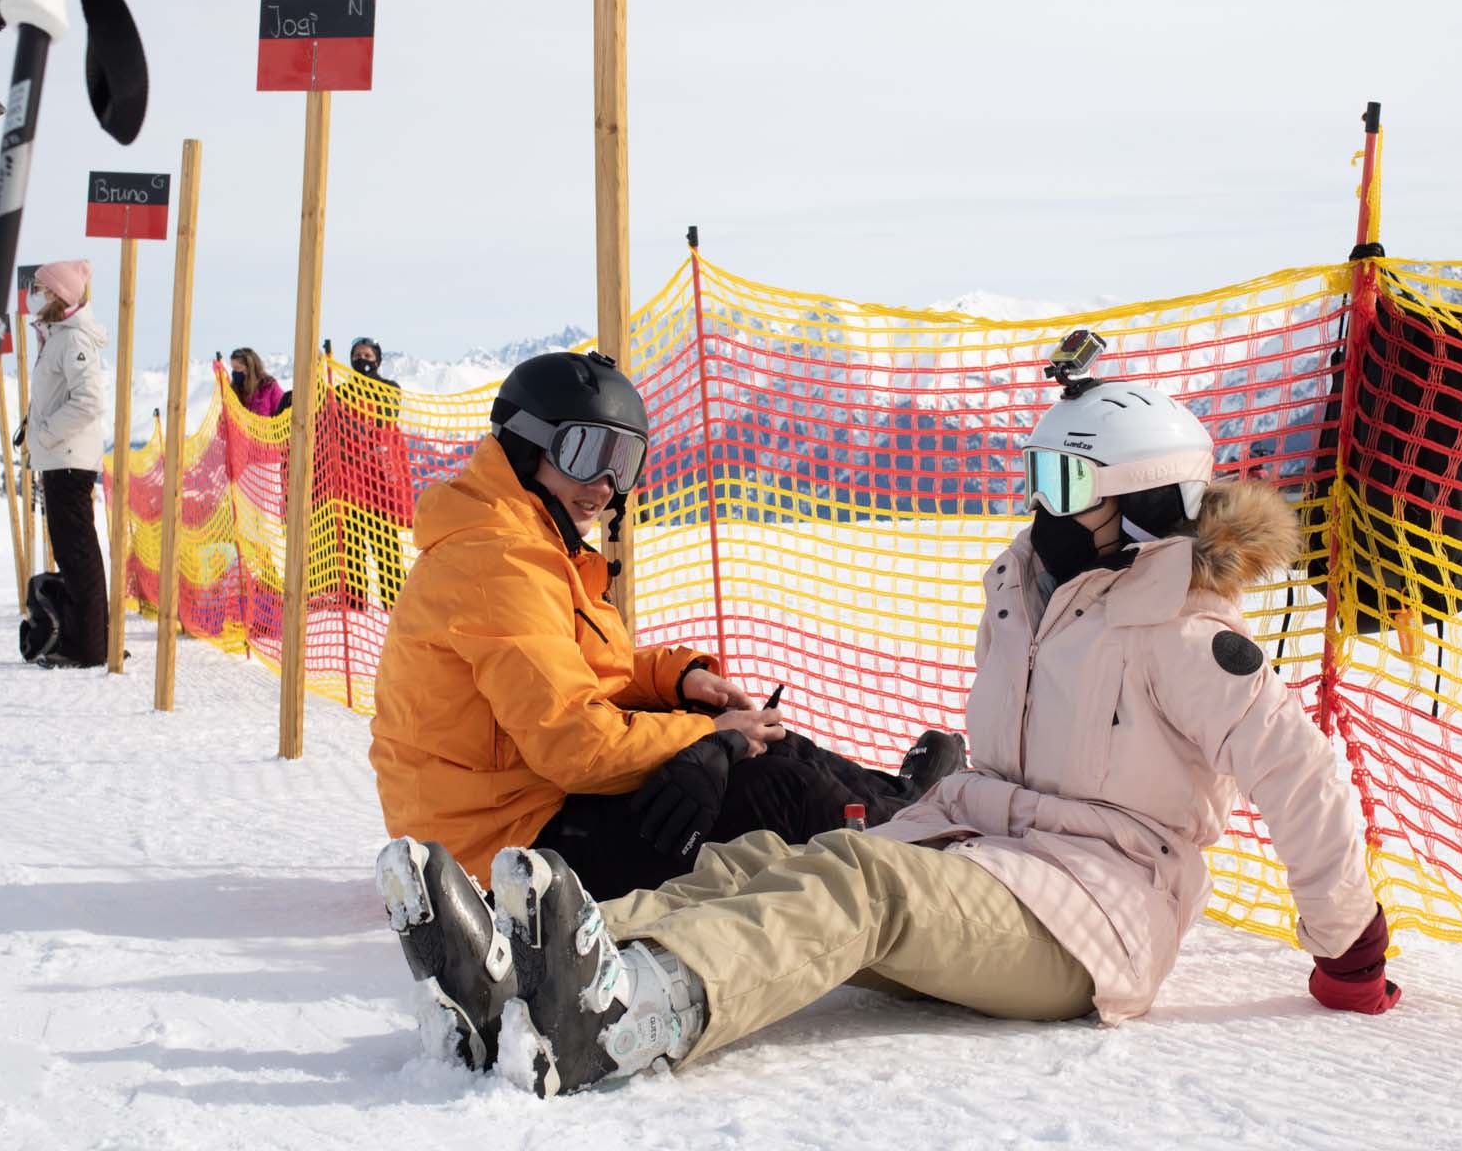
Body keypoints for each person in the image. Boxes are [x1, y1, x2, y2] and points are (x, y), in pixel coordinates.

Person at [373, 332, 1399, 1095]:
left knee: (861, 875)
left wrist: (1348, 948)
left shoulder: (1184, 633)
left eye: (1064, 480)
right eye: (1034, 475)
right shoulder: (1032, 599)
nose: (1040, 507)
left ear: (1142, 506)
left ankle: (635, 1009)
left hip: (1096, 915)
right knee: (767, 858)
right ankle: (529, 972)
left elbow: (1297, 772)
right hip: (994, 864)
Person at [370, 350, 962, 1070]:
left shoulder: (522, 539)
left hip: (512, 805)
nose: (606, 485)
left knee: (768, 748)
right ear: (527, 447)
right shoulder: (503, 561)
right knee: (766, 779)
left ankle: (902, 803)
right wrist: (708, 738)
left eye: (627, 458)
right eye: (587, 451)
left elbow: (585, 671)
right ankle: (917, 841)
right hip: (506, 844)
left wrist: (678, 681)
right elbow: (574, 744)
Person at [20, 261, 109, 669]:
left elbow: (88, 401)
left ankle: (89, 647)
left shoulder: (74, 339)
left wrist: (46, 434)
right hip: (60, 458)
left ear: (58, 295)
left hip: (69, 460)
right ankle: (80, 638)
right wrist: (34, 432)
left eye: (39, 287)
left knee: (78, 551)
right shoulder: (57, 337)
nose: (33, 292)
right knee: (72, 552)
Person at [332, 336, 410, 609]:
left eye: (367, 355)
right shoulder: (341, 391)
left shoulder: (389, 388)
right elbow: (338, 425)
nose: (362, 360)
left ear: (377, 359)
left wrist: (357, 433)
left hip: (379, 476)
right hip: (351, 477)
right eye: (357, 355)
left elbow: (384, 418)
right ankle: (355, 600)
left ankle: (394, 600)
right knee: (352, 539)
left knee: (384, 540)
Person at [228, 347, 284, 417]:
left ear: (250, 368)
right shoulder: (233, 390)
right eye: (233, 368)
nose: (234, 372)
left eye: (237, 368)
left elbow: (282, 416)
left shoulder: (269, 387)